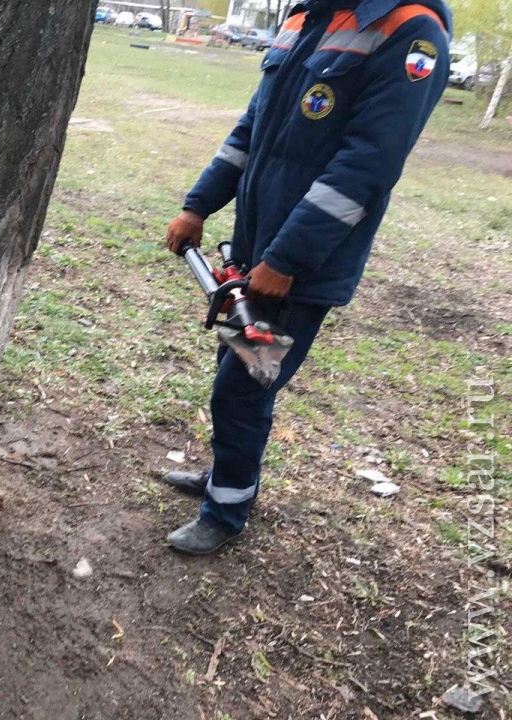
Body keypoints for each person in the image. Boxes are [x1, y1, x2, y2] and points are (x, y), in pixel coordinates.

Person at [163, 0, 451, 553]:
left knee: (242, 389)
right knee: (238, 373)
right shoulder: (304, 18)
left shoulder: (412, 30)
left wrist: (287, 260)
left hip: (296, 270)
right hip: (255, 252)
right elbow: (254, 127)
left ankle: (226, 513)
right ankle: (229, 478)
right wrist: (198, 205)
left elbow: (368, 165)